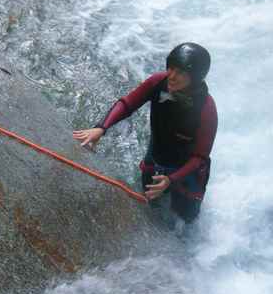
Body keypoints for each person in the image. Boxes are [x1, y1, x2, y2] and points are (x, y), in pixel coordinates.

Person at [73, 42, 217, 223]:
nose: (171, 76)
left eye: (180, 72)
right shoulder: (158, 82)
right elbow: (127, 103)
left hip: (187, 173)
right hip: (155, 159)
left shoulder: (206, 109)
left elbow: (200, 157)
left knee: (185, 222)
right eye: (170, 68)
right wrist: (101, 128)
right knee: (148, 208)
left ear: (194, 78)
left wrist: (171, 180)